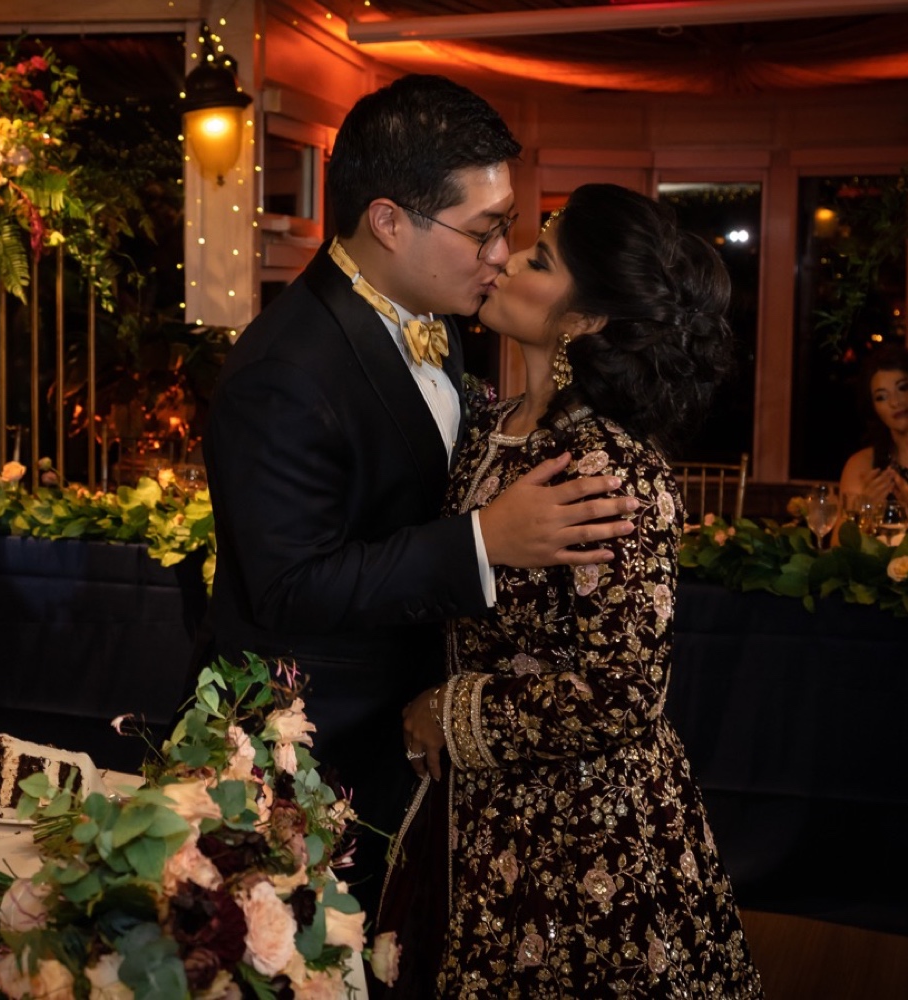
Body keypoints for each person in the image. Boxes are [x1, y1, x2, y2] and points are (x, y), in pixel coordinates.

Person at [200, 75, 640, 900]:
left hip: (416, 737)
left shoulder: (435, 314)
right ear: (389, 222)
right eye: (484, 232)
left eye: (505, 228)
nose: (500, 256)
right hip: (321, 750)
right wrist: (484, 542)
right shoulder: (286, 371)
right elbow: (289, 587)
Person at [391, 184, 762, 996]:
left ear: (587, 320)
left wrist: (452, 711)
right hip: (484, 819)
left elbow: (625, 692)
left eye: (541, 257)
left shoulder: (611, 466)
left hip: (586, 836)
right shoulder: (491, 425)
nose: (507, 258)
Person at [837, 344, 908, 534]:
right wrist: (865, 512)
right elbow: (838, 551)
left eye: (903, 387)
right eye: (881, 397)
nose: (895, 402)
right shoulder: (863, 466)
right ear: (874, 408)